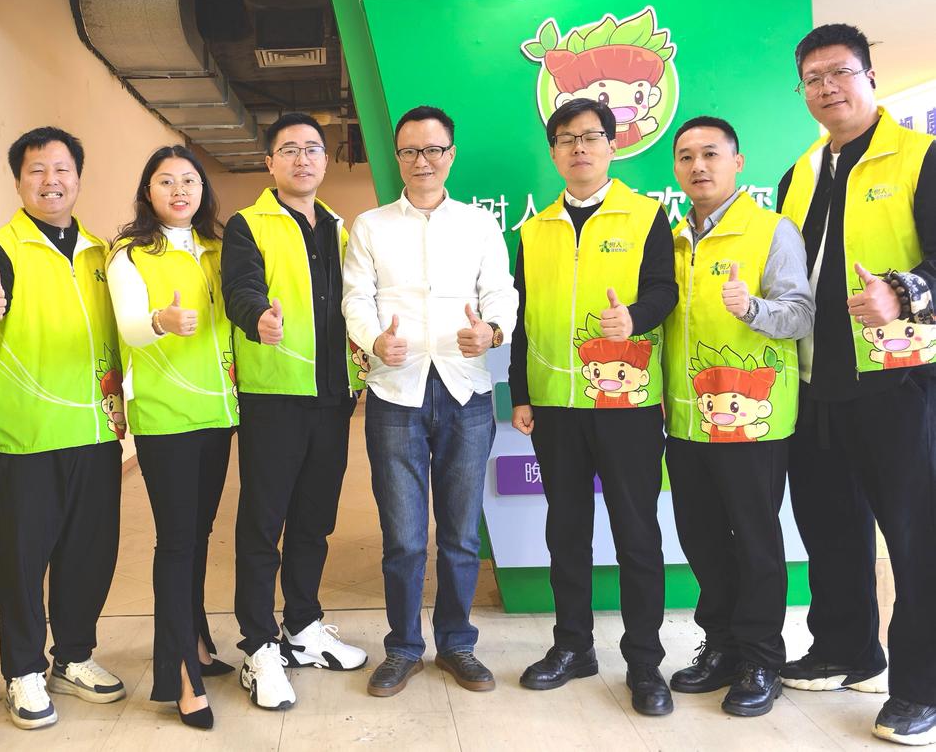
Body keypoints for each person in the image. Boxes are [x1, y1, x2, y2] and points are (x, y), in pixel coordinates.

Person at [776, 23, 936, 745]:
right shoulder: (801, 171)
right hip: (815, 383)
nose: (827, 88)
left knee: (916, 539)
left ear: (870, 76)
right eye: (812, 78)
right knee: (830, 528)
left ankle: (922, 686)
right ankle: (846, 649)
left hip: (899, 383)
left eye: (839, 72)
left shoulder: (921, 157)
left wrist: (901, 292)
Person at [509, 97, 677, 716]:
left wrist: (633, 317)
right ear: (553, 152)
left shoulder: (647, 215)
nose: (578, 147)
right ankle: (573, 646)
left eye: (590, 136)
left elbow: (665, 289)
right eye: (566, 138)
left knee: (637, 534)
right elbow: (523, 316)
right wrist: (521, 392)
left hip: (627, 402)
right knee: (567, 531)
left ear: (612, 144)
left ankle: (645, 662)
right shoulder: (535, 229)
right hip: (556, 406)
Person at [342, 104, 517, 698]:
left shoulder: (479, 225)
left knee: (462, 534)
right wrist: (373, 339)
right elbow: (356, 298)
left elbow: (500, 292)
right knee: (404, 537)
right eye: (411, 151)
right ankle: (402, 648)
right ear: (398, 158)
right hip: (396, 392)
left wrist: (492, 331)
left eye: (434, 150)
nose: (423, 161)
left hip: (466, 390)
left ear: (451, 155)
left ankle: (458, 644)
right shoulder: (370, 226)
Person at [0, 127, 123, 730]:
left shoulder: (102, 253)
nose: (51, 181)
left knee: (91, 554)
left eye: (62, 170)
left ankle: (73, 657)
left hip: (97, 430)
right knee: (23, 562)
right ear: (18, 181)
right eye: (37, 170)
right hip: (27, 435)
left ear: (78, 178)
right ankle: (23, 670)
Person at [661, 116, 814, 717]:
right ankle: (721, 645)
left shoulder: (772, 230)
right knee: (699, 537)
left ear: (737, 162)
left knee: (754, 540)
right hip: (687, 417)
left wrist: (751, 308)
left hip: (753, 421)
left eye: (711, 154)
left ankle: (761, 657)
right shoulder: (675, 238)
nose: (698, 166)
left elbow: (801, 314)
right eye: (686, 156)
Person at [222, 112, 368, 711]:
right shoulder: (247, 224)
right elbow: (239, 288)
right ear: (270, 163)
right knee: (264, 522)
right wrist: (258, 315)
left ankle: (303, 625)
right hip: (275, 396)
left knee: (314, 520)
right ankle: (259, 645)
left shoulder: (340, 227)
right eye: (289, 149)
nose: (302, 159)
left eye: (312, 149)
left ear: (326, 161)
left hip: (333, 396)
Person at [106, 145, 236, 730]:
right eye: (166, 181)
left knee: (199, 535)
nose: (179, 191)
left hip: (218, 412)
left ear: (203, 189)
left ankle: (198, 641)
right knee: (178, 541)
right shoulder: (130, 253)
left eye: (189, 180)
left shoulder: (217, 248)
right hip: (166, 418)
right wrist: (161, 320)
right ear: (148, 192)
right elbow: (130, 327)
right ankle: (180, 673)